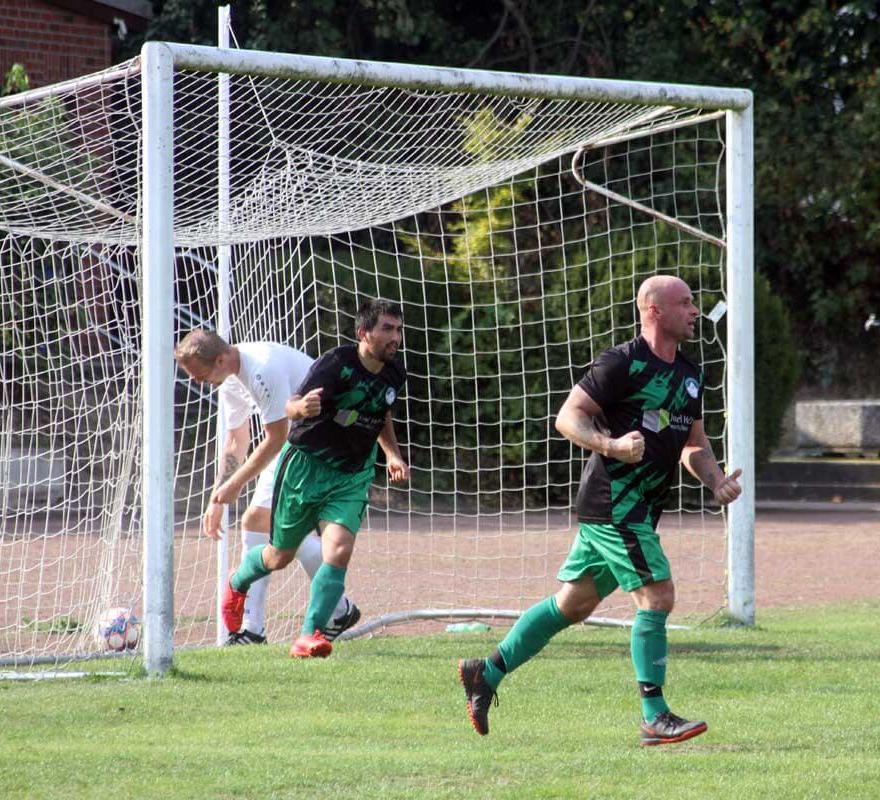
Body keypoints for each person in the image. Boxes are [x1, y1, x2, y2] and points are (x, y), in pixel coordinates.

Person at [458, 274, 743, 746]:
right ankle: (655, 716)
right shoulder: (621, 363)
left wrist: (715, 480)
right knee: (658, 595)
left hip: (639, 508)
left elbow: (693, 444)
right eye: (686, 303)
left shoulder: (690, 372)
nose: (695, 311)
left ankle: (485, 673)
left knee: (573, 605)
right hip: (615, 504)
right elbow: (568, 417)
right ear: (654, 311)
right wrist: (610, 444)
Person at [220, 299, 410, 658]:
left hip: (351, 475)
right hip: (305, 468)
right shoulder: (336, 364)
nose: (395, 338)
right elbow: (292, 403)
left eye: (398, 330)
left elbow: (381, 412)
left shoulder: (393, 374)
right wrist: (300, 407)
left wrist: (392, 453)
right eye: (387, 329)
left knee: (338, 548)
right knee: (279, 556)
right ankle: (237, 581)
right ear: (363, 333)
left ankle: (309, 635)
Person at [175, 330, 362, 645]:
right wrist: (216, 498)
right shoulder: (229, 379)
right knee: (270, 527)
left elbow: (276, 437)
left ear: (220, 359)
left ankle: (254, 629)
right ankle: (334, 610)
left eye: (199, 374)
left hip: (328, 439)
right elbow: (236, 441)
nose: (197, 381)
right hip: (304, 439)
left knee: (257, 521)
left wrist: (235, 485)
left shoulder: (262, 368)